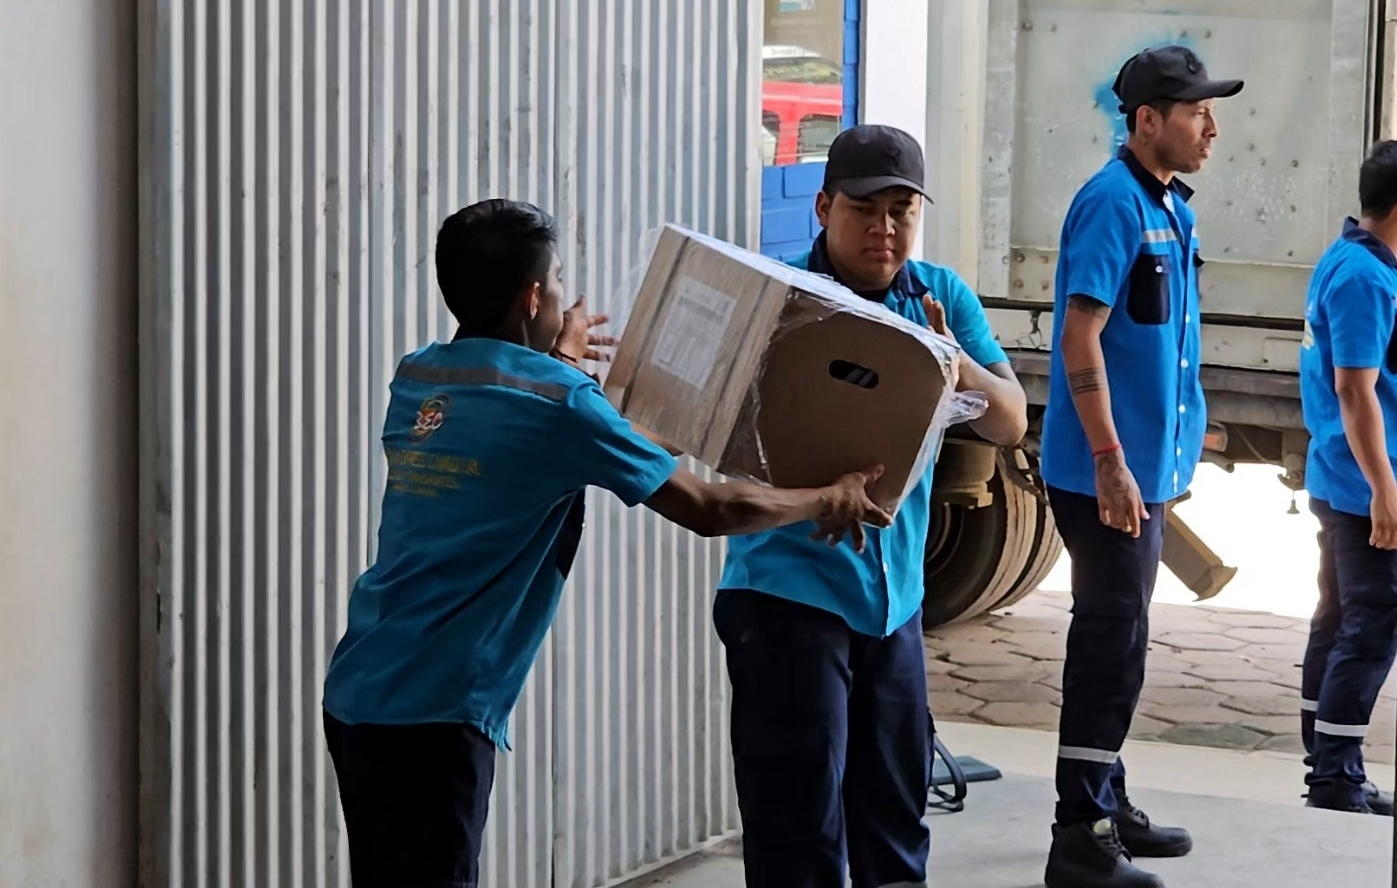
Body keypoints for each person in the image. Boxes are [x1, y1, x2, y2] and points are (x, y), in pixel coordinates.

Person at [319, 198, 893, 888]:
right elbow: (709, 505)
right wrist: (824, 498)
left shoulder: (420, 376)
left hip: (359, 688)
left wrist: (558, 358)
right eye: (557, 280)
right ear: (534, 297)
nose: (565, 294)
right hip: (433, 708)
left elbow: (539, 438)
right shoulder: (557, 402)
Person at [714, 124, 1028, 888]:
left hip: (893, 607)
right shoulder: (780, 301)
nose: (885, 230)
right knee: (797, 831)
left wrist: (960, 371)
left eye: (901, 211)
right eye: (865, 210)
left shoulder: (939, 297)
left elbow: (1011, 417)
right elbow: (722, 443)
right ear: (823, 207)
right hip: (788, 596)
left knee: (893, 821)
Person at [1038, 45, 1243, 888]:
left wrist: (1173, 452)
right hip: (1100, 475)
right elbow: (1079, 335)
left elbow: (1162, 342)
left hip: (1140, 472)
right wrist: (1113, 460)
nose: (1211, 126)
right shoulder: (1110, 204)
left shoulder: (1170, 209)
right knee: (1108, 645)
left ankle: (1106, 798)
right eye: (1195, 111)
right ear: (1147, 120)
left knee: (1126, 637)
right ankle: (1076, 836)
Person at [1297, 139, 1397, 817]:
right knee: (1371, 621)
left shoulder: (1347, 257)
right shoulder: (1364, 277)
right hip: (1365, 483)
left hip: (1341, 475)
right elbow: (1356, 392)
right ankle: (1334, 774)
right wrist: (1386, 493)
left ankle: (1325, 759)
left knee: (1336, 618)